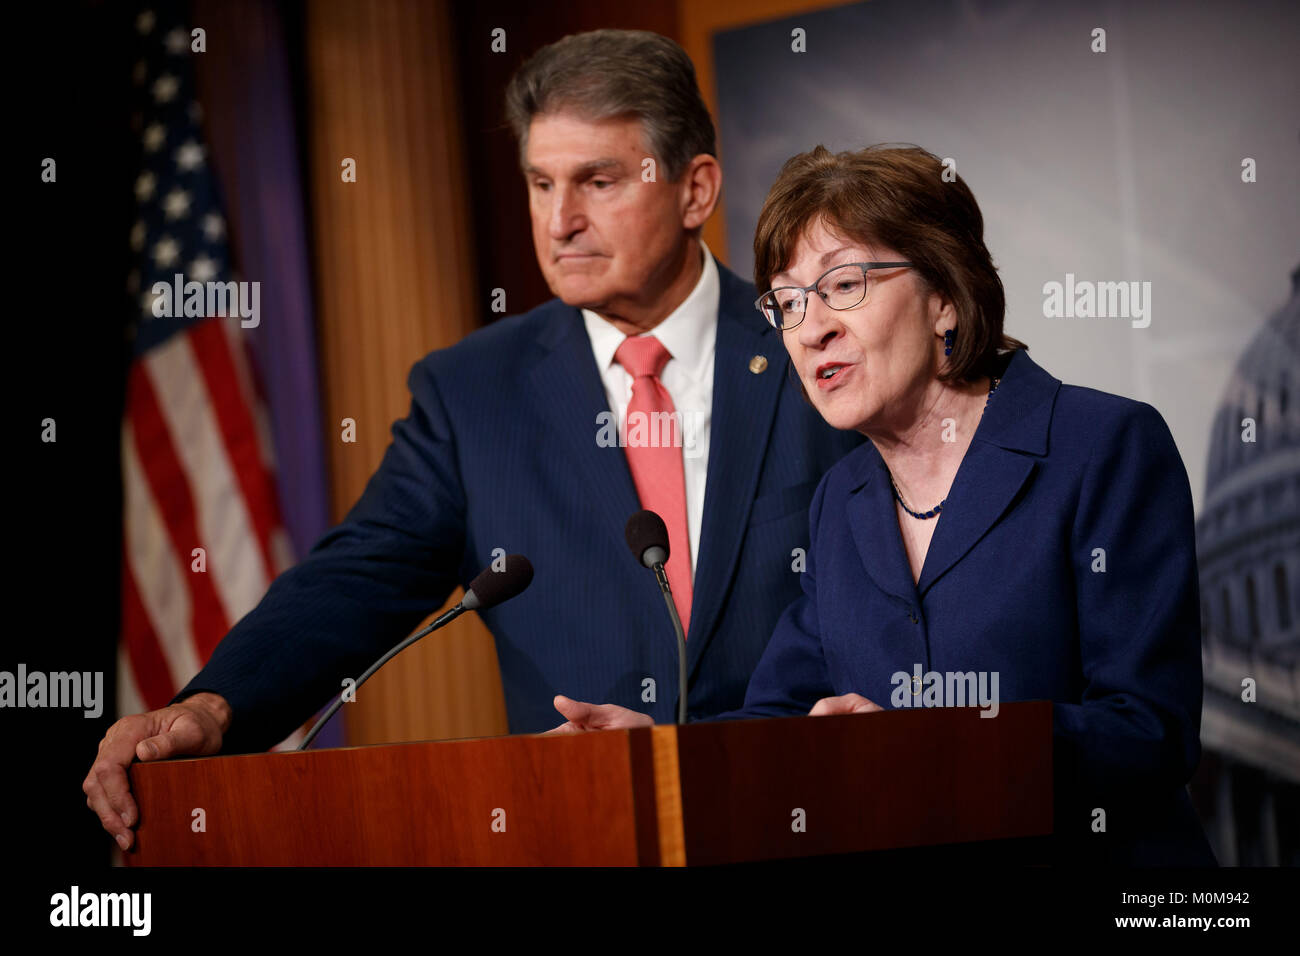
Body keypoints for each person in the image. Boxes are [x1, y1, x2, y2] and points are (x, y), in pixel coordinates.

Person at [82, 31, 860, 852]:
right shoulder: (472, 394)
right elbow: (358, 576)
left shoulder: (818, 347)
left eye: (598, 181)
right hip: (582, 836)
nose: (561, 221)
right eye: (540, 184)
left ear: (696, 187)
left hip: (808, 818)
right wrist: (212, 705)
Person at [549, 144, 1217, 866]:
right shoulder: (844, 499)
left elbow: (1150, 732)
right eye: (788, 303)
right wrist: (651, 753)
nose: (811, 330)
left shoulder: (1101, 447)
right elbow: (780, 722)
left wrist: (929, 749)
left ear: (945, 298)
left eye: (842, 285)